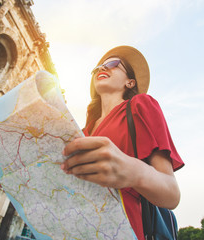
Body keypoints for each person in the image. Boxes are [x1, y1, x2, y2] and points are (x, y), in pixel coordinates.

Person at [60, 46, 184, 240]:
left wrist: (132, 171)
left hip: (125, 230)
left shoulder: (141, 105)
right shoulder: (82, 132)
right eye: (98, 67)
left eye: (112, 64)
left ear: (130, 82)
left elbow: (171, 194)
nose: (102, 68)